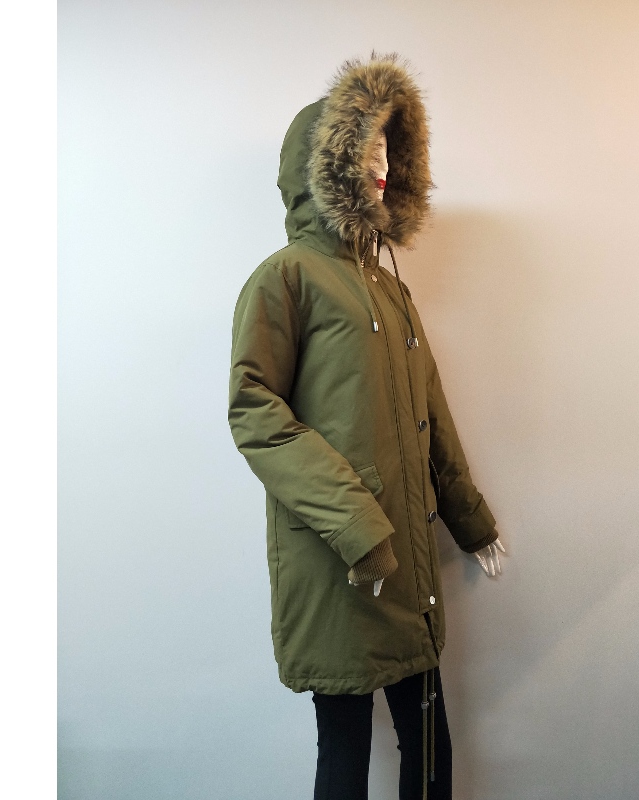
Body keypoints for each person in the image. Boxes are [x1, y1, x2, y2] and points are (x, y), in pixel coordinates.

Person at [228, 53, 505, 800]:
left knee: (429, 748)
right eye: (366, 154)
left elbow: (430, 413)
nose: (381, 169)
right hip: (338, 559)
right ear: (326, 166)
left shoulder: (391, 288)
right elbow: (256, 413)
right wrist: (356, 525)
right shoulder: (286, 278)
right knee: (345, 750)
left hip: (405, 556)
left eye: (389, 155)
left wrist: (471, 521)